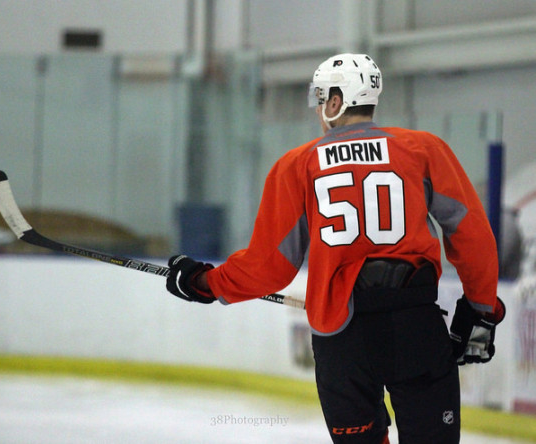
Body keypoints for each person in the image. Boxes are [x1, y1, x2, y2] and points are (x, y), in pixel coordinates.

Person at [166, 53, 505, 443]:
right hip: (415, 328)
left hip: (343, 342)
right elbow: (472, 236)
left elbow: (269, 267)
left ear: (335, 102)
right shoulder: (423, 149)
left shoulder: (297, 165)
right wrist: (480, 310)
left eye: (320, 100)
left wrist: (204, 282)